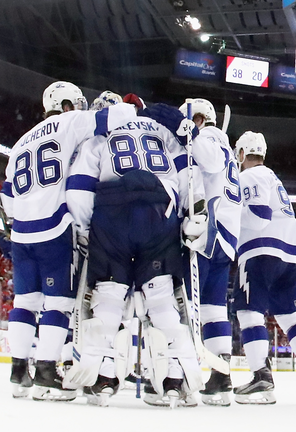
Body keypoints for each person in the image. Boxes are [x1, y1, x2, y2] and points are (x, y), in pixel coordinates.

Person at [0, 81, 140, 402]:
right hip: (55, 228)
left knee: (25, 303)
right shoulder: (69, 122)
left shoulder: (21, 142)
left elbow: (8, 197)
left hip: (21, 233)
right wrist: (132, 109)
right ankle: (47, 372)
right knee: (59, 305)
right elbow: (115, 116)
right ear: (65, 105)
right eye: (75, 104)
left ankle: (18, 371)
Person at [64, 95, 201, 408]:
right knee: (162, 297)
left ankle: (104, 375)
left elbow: (78, 187)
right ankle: (175, 376)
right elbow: (188, 173)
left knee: (110, 296)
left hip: (112, 212)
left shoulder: (101, 130)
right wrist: (191, 215)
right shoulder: (160, 128)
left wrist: (87, 229)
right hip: (160, 208)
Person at [231, 131, 296, 404]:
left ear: (241, 154)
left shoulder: (249, 176)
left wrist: (225, 215)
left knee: (249, 313)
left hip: (260, 251)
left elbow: (259, 216)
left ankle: (262, 378)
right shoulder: (274, 178)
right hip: (289, 254)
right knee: (290, 315)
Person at [177, 98, 242, 407]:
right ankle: (220, 377)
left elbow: (211, 164)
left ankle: (181, 374)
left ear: (200, 118)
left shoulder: (210, 137)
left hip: (209, 230)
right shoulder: (224, 144)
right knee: (215, 309)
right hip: (226, 236)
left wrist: (193, 134)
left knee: (187, 303)